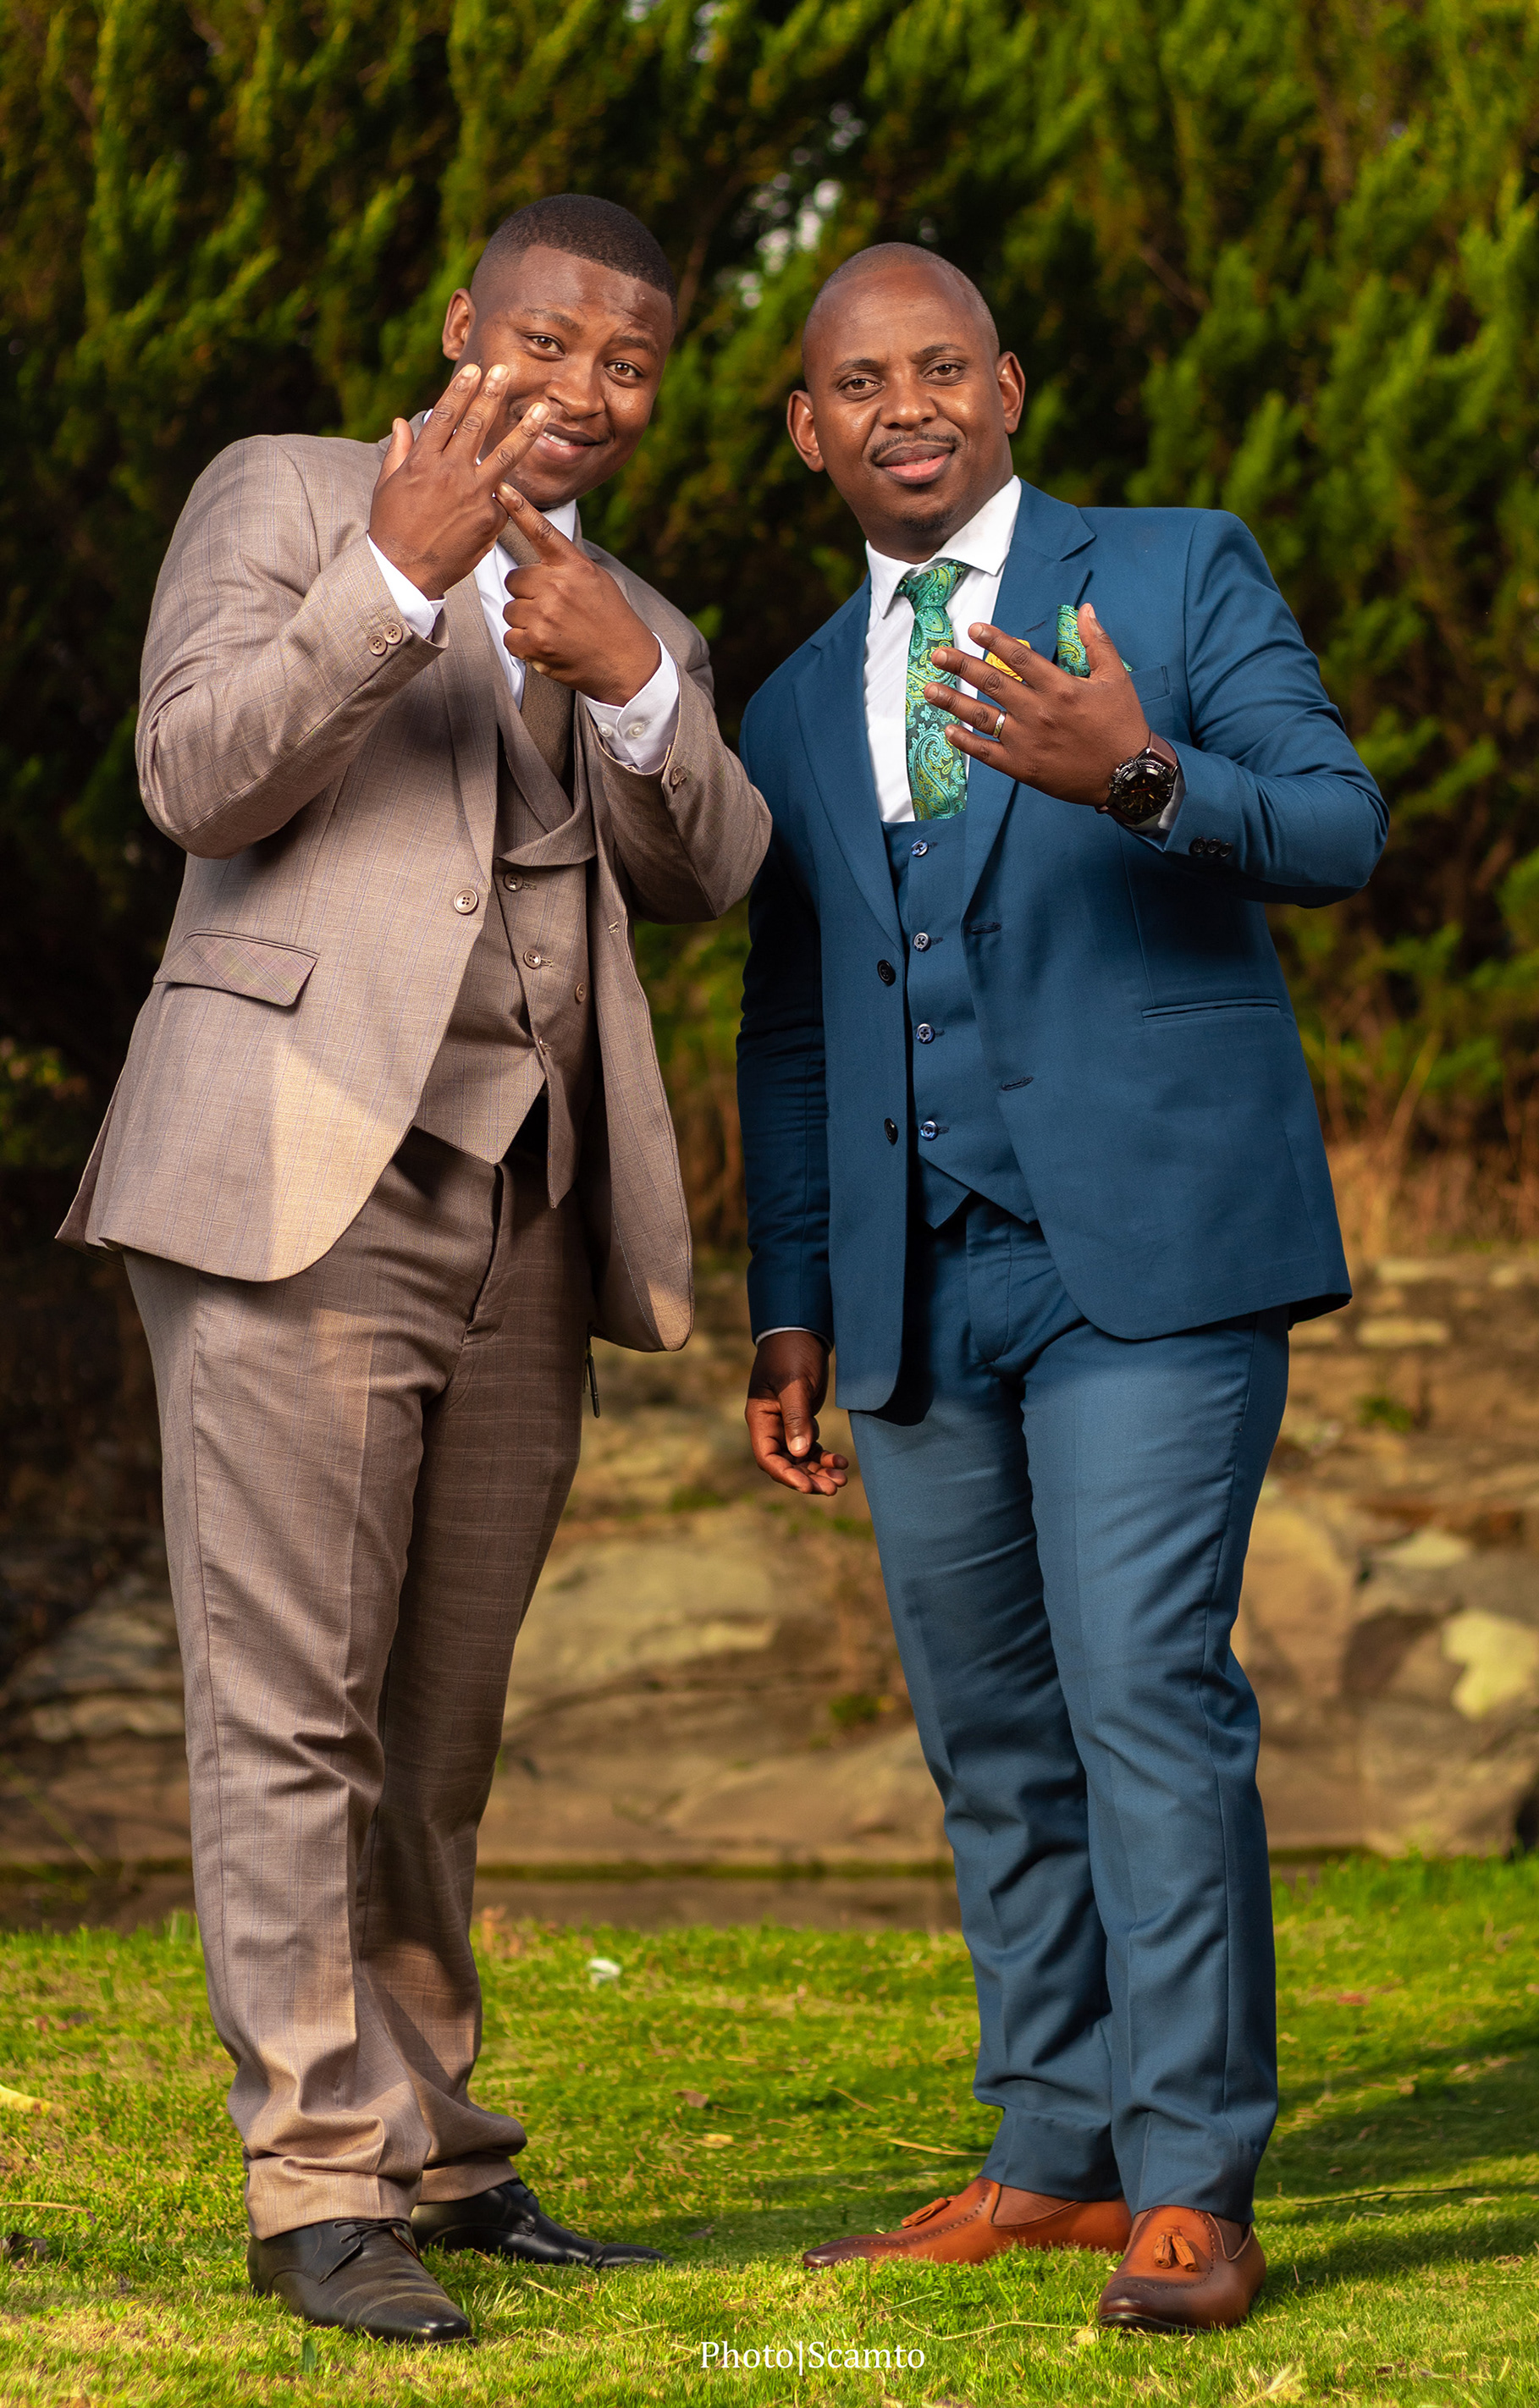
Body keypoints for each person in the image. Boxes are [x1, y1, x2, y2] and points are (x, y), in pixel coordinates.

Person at [61, 194, 769, 2344]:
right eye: (548, 342)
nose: (585, 389)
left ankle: (435, 2144)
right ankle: (312, 2175)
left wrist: (636, 685)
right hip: (294, 1178)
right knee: (291, 1707)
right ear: (466, 326)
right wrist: (392, 574)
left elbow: (719, 865)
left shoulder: (637, 610)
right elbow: (196, 776)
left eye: (630, 364)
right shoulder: (284, 493)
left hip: (529, 1209)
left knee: (437, 1728)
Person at [735, 244, 1384, 2334]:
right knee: (994, 1733)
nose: (906, 405)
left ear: (1008, 388)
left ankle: (1191, 2179)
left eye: (942, 366)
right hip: (917, 1281)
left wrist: (1139, 772)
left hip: (1155, 1258)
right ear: (811, 427)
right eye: (861, 381)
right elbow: (799, 1024)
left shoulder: (1175, 574)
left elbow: (1341, 828)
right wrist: (790, 1298)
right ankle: (1052, 2155)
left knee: (1141, 1693)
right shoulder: (788, 701)